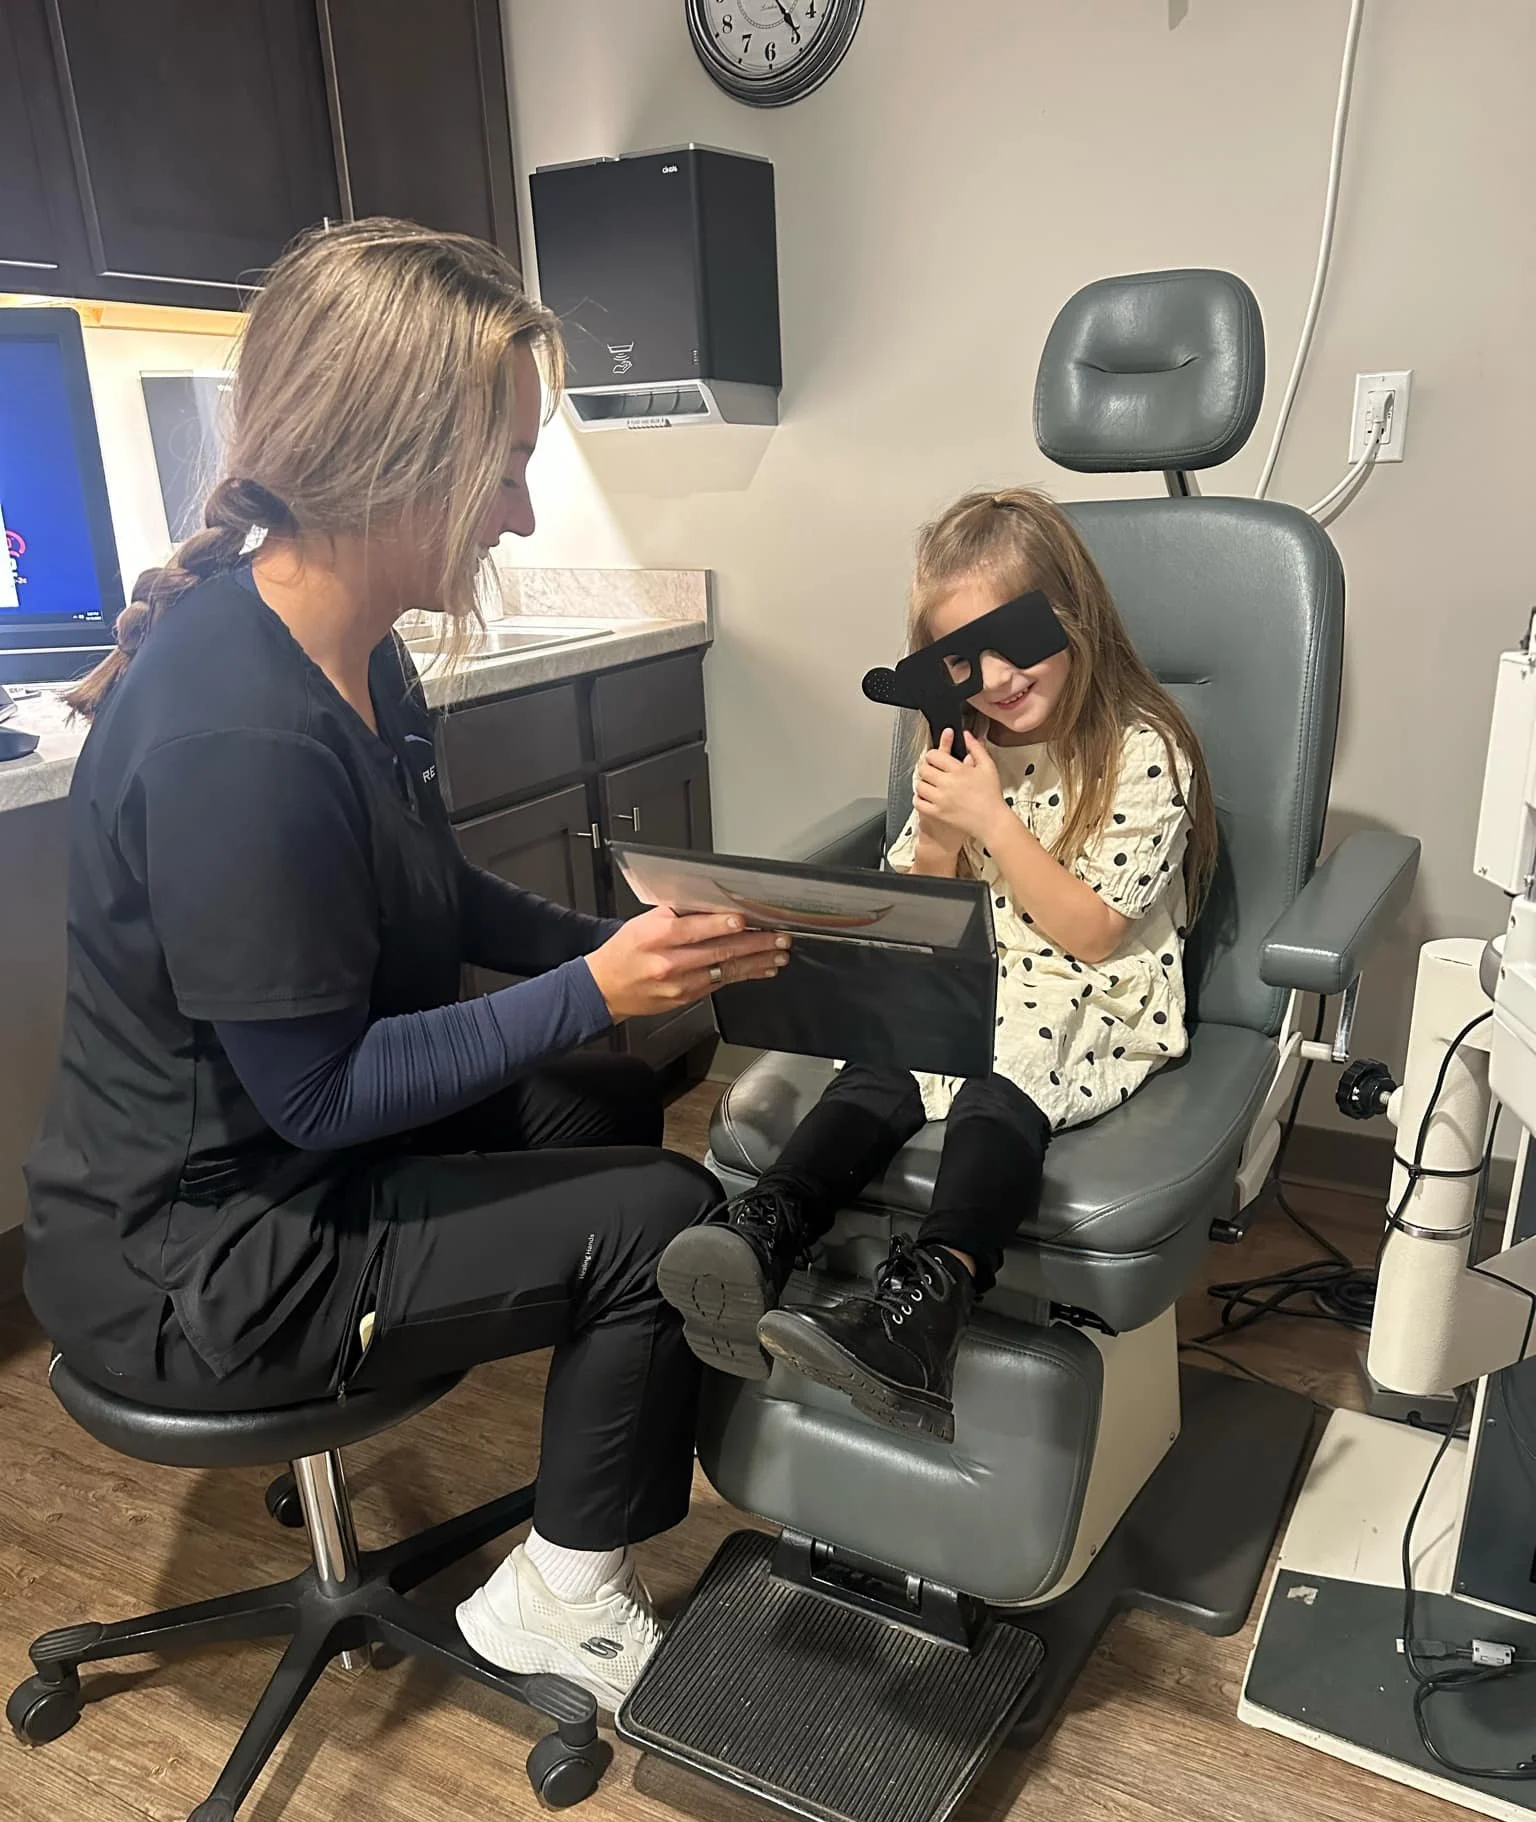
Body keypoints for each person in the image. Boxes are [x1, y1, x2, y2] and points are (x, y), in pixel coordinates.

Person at [23, 220, 787, 1713]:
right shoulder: (234, 738)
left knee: (608, 1089)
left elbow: (431, 889)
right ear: (389, 463)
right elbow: (312, 1094)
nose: (516, 508)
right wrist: (596, 986)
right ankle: (558, 1609)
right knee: (667, 1218)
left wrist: (632, 960)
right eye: (503, 465)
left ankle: (568, 1483)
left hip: (276, 1174)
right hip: (199, 1258)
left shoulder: (353, 652)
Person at [658, 487, 1216, 1443]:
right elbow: (925, 901)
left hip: (1090, 996)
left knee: (1007, 1069)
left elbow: (1091, 933)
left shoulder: (1141, 750)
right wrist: (946, 833)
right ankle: (769, 1229)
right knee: (884, 1059)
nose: (996, 677)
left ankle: (927, 1306)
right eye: (965, 659)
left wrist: (994, 817)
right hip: (974, 975)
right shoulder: (966, 748)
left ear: (1071, 617)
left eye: (1015, 642)